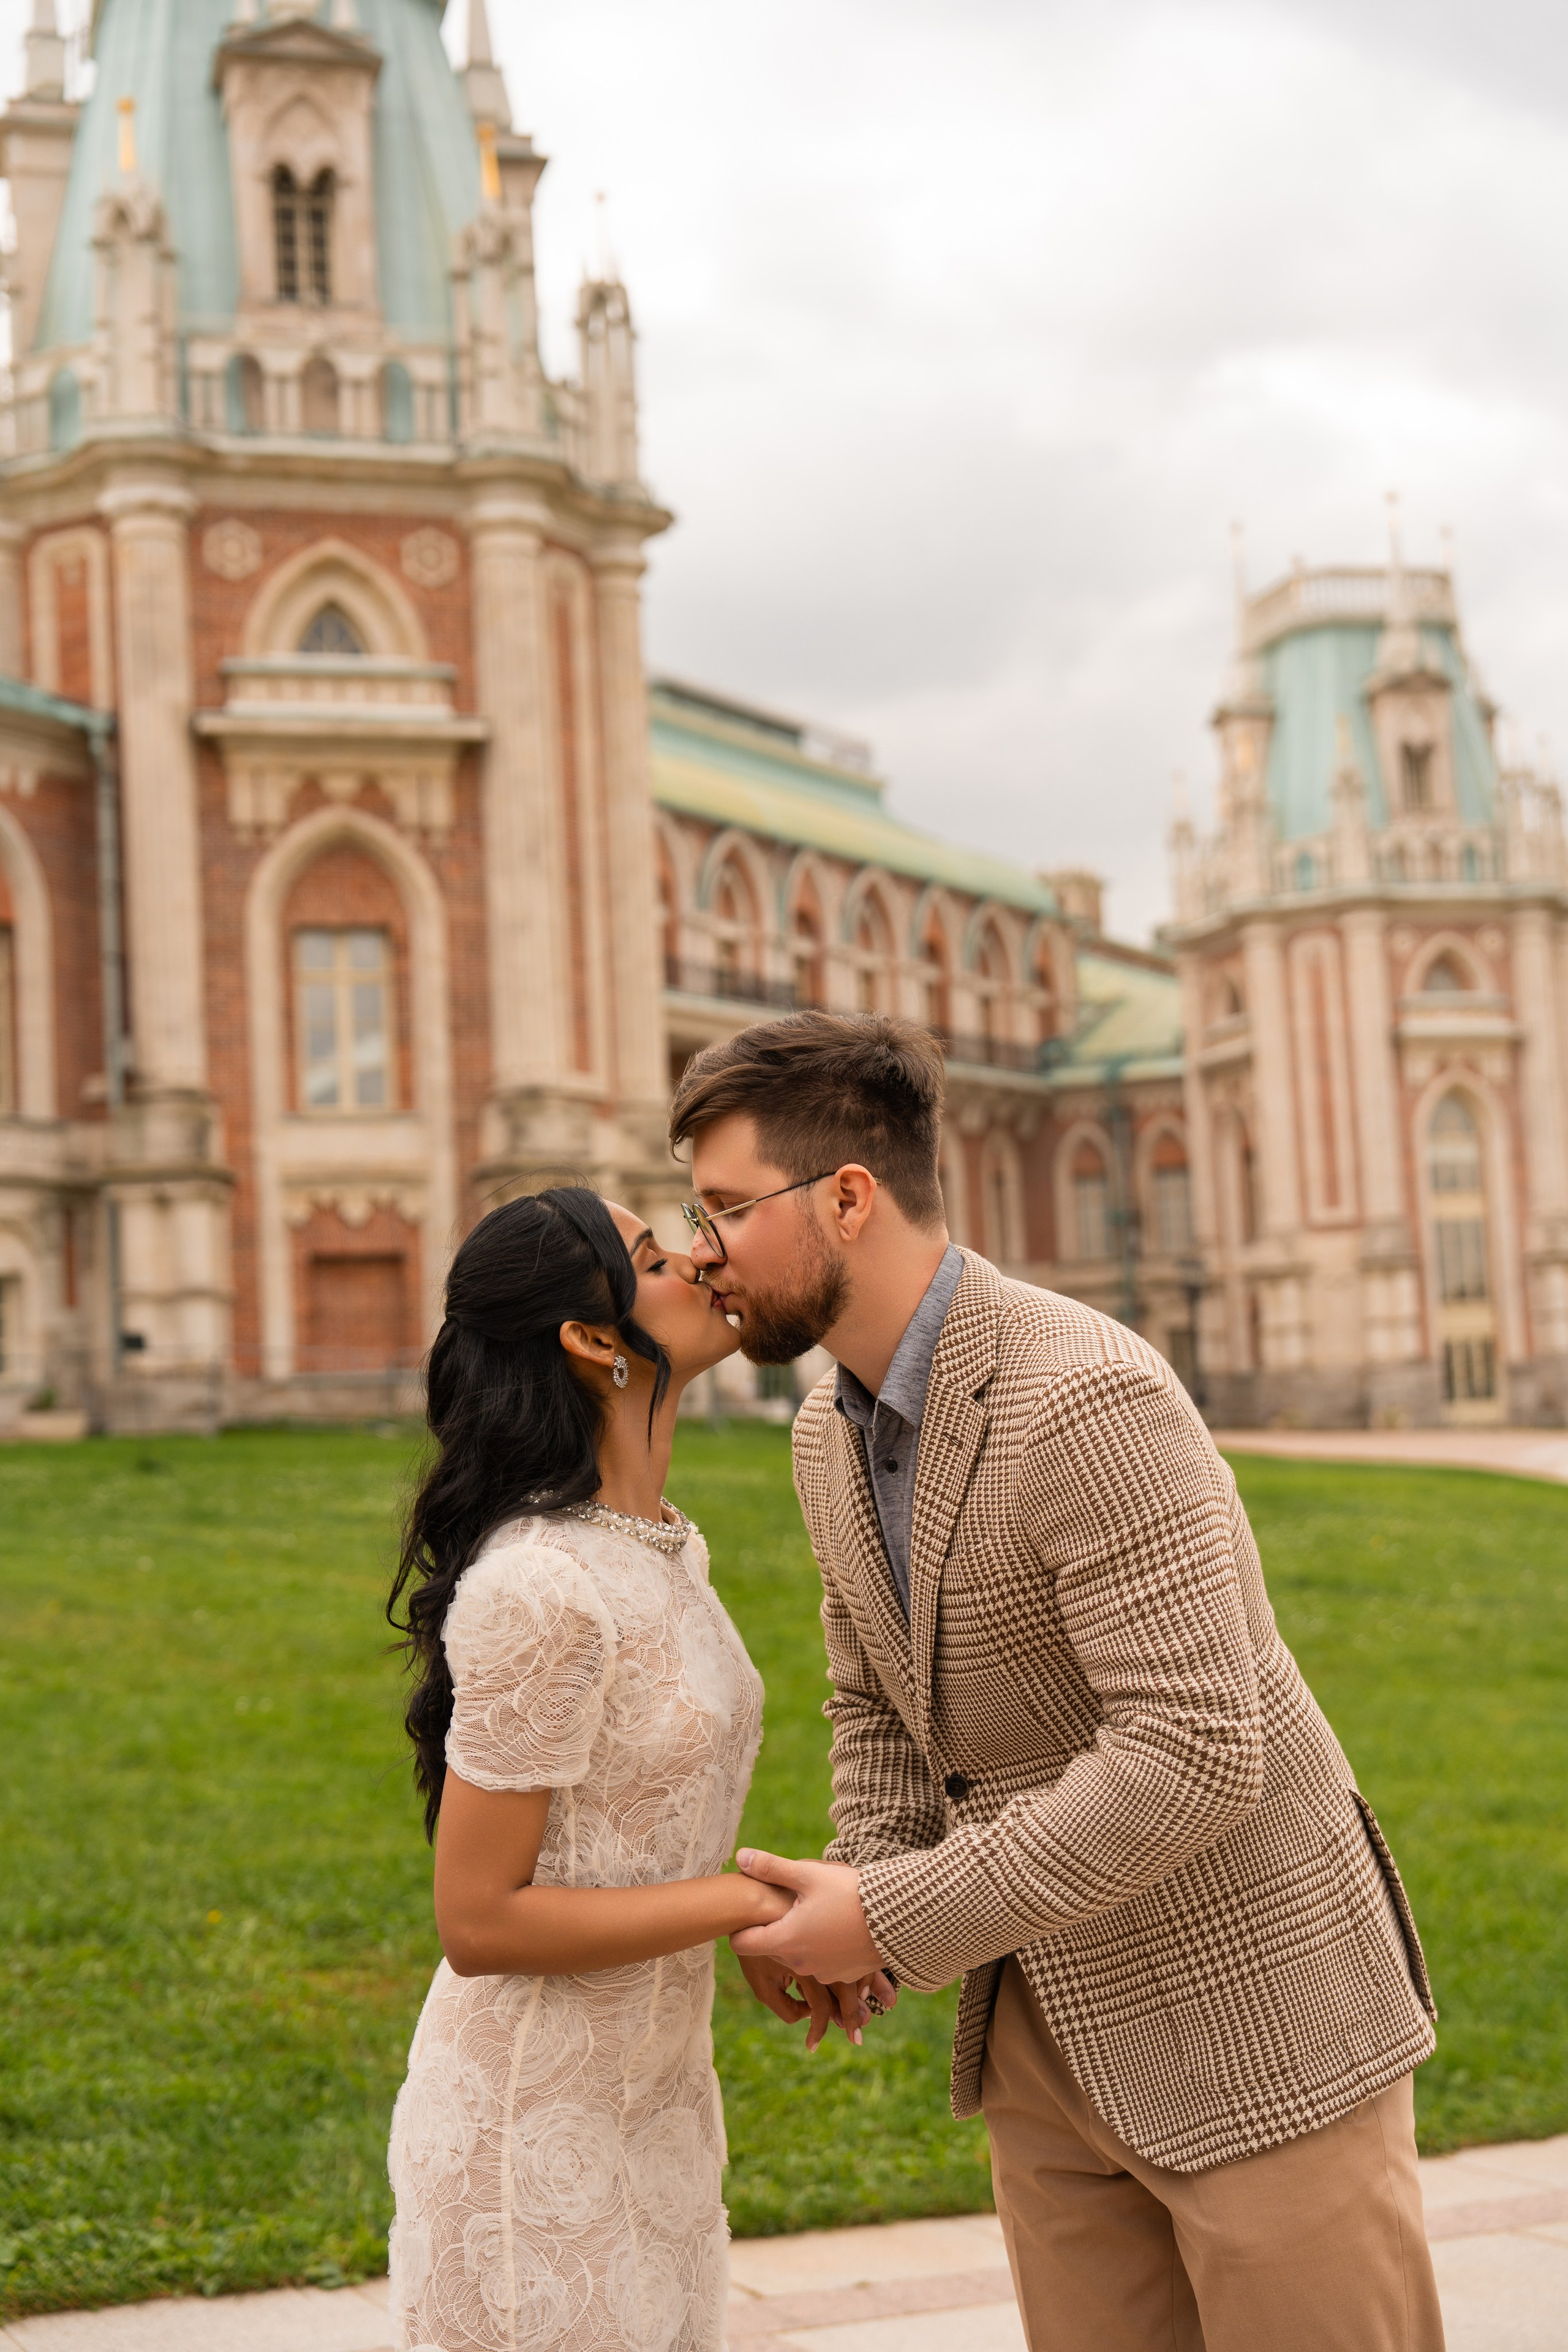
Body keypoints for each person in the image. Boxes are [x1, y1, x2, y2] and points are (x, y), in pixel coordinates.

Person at [668, 1009, 1446, 2352]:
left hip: (1253, 2021)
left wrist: (892, 1914)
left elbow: (1194, 1752)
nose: (700, 1251)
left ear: (848, 1198)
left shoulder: (1084, 1395)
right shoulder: (820, 1435)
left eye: (728, 1208)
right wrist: (866, 1872)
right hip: (1039, 2033)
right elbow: (874, 1701)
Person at [384, 1185, 891, 2352]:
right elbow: (479, 1919)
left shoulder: (666, 1547)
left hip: (659, 2104)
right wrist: (749, 1901)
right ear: (594, 1339)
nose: (705, 1263)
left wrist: (750, 1928)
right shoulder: (540, 1585)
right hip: (531, 2126)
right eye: (661, 1258)